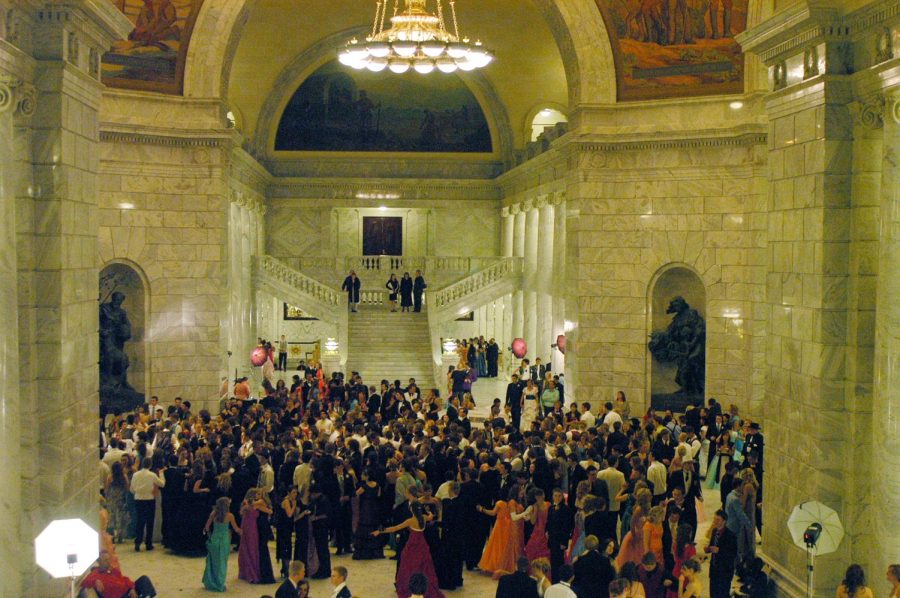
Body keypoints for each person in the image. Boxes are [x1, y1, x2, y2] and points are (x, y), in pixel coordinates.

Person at [373, 501, 445, 598]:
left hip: (412, 546)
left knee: (408, 567)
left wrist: (380, 531)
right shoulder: (423, 518)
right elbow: (430, 517)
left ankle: (410, 587)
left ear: (412, 510)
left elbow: (395, 528)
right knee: (424, 567)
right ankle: (422, 587)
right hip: (422, 545)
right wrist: (430, 513)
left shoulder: (410, 521)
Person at [478, 486, 522, 573]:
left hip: (499, 527)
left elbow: (492, 513)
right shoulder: (512, 503)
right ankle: (504, 566)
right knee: (505, 546)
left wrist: (482, 509)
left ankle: (495, 566)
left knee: (496, 546)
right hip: (508, 527)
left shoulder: (500, 503)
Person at [202, 497, 242, 592]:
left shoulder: (213, 514)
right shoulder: (230, 516)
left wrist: (210, 535)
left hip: (214, 539)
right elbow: (236, 529)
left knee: (212, 562)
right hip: (224, 541)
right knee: (222, 563)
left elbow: (207, 527)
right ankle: (219, 583)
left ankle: (210, 582)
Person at [80, 550, 155, 598]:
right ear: (99, 561)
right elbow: (84, 582)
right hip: (122, 596)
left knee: (144, 579)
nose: (108, 561)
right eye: (105, 560)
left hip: (129, 592)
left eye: (109, 559)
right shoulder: (95, 573)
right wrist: (95, 581)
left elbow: (124, 579)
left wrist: (132, 588)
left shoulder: (113, 570)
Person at [130, 457, 165, 552]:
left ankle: (137, 542)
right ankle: (148, 543)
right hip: (149, 499)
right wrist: (161, 473)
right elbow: (162, 484)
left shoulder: (135, 475)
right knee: (150, 522)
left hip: (138, 499)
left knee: (139, 521)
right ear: (150, 465)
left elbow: (132, 489)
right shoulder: (152, 475)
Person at [706, 510, 737, 598]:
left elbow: (733, 554)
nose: (715, 522)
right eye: (714, 519)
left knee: (722, 594)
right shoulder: (714, 531)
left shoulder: (731, 536)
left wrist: (719, 551)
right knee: (713, 594)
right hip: (714, 570)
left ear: (724, 521)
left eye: (718, 520)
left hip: (724, 571)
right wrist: (708, 549)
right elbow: (712, 545)